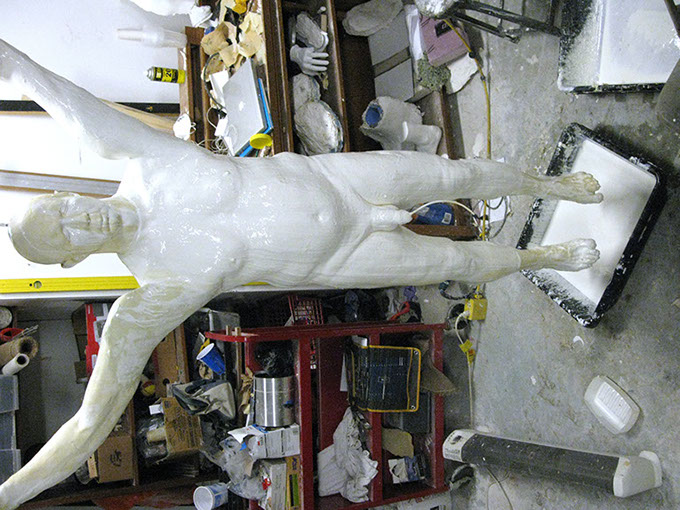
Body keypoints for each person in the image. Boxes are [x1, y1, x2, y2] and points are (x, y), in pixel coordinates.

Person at [0, 38, 601, 509]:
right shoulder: (150, 297)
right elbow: (90, 423)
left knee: (454, 175)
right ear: (73, 261)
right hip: (339, 259)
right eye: (67, 235)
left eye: (66, 209)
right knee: (454, 263)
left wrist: (12, 63)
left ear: (66, 195)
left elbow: (61, 99)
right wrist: (10, 493)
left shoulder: (144, 161)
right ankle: (544, 258)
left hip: (336, 179)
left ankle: (552, 184)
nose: (83, 219)